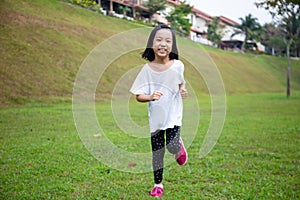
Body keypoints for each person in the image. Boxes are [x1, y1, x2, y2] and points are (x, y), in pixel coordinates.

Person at [130, 24, 188, 198]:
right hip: (156, 118)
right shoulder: (146, 70)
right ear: (152, 44)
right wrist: (150, 97)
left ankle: (178, 146)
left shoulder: (178, 65)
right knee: (158, 153)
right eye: (159, 40)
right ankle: (158, 184)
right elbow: (138, 96)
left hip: (174, 115)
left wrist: (183, 88)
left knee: (171, 146)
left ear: (173, 46)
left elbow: (181, 81)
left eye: (168, 41)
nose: (163, 44)